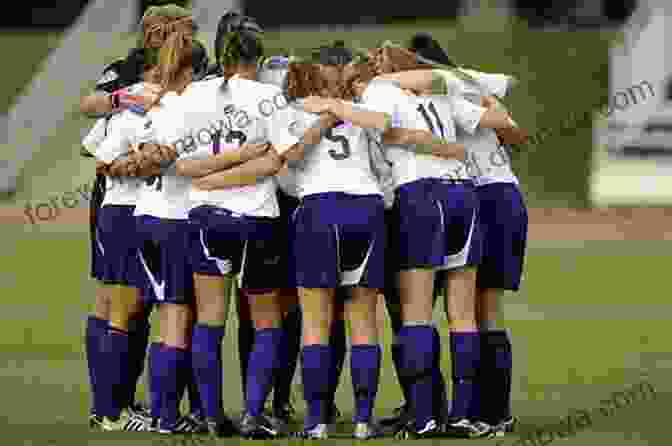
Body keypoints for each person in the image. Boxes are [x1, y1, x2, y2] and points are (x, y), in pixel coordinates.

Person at [359, 42, 523, 439]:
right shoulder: (446, 95)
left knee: (416, 312)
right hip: (464, 194)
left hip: (421, 195)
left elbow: (376, 133)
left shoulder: (380, 90)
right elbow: (505, 120)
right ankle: (466, 415)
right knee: (465, 314)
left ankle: (427, 416)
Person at [407, 33, 527, 436]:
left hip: (482, 196)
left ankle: (481, 411)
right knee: (478, 311)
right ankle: (488, 411)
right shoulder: (464, 82)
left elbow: (509, 127)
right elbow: (513, 125)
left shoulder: (439, 90)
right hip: (497, 193)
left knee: (472, 310)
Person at [100, 7, 213, 435]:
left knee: (153, 313)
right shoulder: (201, 106)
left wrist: (141, 158)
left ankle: (137, 410)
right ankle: (168, 415)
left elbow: (106, 159)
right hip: (179, 221)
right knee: (180, 317)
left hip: (143, 217)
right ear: (195, 71)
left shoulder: (140, 103)